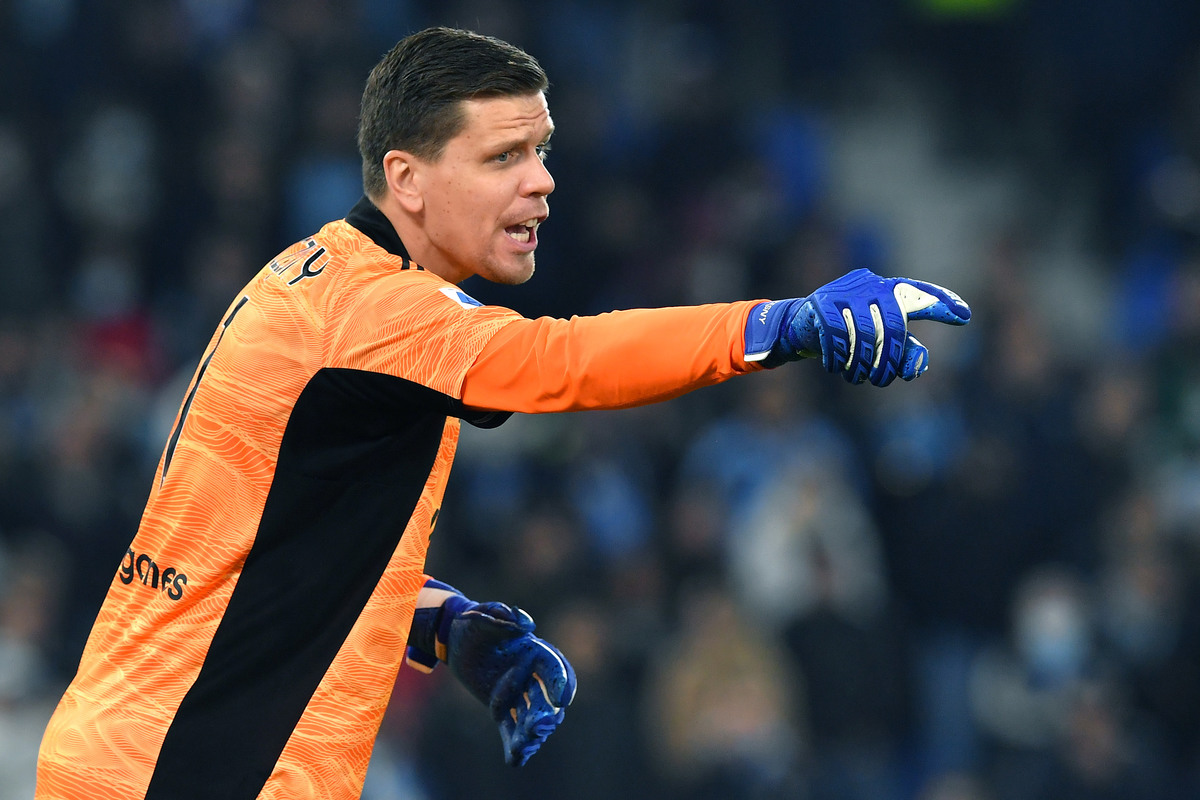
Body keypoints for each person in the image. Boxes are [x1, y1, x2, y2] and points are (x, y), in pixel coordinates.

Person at [34, 26, 971, 800]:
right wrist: (781, 324)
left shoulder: (316, 286)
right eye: (502, 157)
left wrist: (443, 625)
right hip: (192, 769)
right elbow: (561, 363)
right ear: (407, 179)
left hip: (144, 747)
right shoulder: (382, 314)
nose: (542, 181)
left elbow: (262, 553)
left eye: (542, 151)